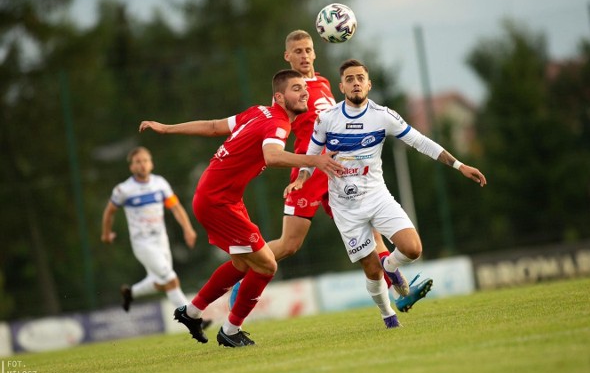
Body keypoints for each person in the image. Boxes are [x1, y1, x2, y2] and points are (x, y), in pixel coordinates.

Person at [138, 69, 343, 347]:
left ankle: (192, 312)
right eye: (297, 88)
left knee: (241, 264)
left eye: (304, 87)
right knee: (267, 265)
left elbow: (212, 127)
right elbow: (271, 156)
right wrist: (314, 161)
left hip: (219, 198)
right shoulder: (279, 123)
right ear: (279, 97)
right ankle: (231, 331)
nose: (304, 92)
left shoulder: (258, 112)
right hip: (218, 202)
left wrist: (167, 128)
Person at [230, 30, 432, 312]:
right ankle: (238, 278)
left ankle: (397, 294)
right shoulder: (291, 92)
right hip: (310, 169)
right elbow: (279, 124)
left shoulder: (325, 83)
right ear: (287, 56)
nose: (303, 55)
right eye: (297, 51)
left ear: (315, 51)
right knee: (290, 244)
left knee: (372, 235)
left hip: (341, 171)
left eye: (307, 50)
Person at [293, 59, 487, 328]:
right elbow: (310, 157)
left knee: (412, 248)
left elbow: (420, 141)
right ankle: (389, 318)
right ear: (341, 87)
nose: (356, 82)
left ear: (369, 84)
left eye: (360, 78)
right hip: (345, 206)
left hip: (377, 197)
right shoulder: (327, 119)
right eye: (350, 79)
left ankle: (391, 267)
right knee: (370, 269)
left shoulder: (383, 116)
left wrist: (459, 165)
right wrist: (301, 179)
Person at [101, 146, 199, 315]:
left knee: (162, 282)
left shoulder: (160, 183)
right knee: (170, 278)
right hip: (142, 242)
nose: (142, 165)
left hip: (161, 239)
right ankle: (193, 317)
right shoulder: (123, 189)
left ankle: (129, 293)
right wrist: (106, 234)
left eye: (145, 160)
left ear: (151, 164)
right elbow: (109, 212)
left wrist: (188, 229)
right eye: (138, 162)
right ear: (131, 167)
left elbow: (175, 207)